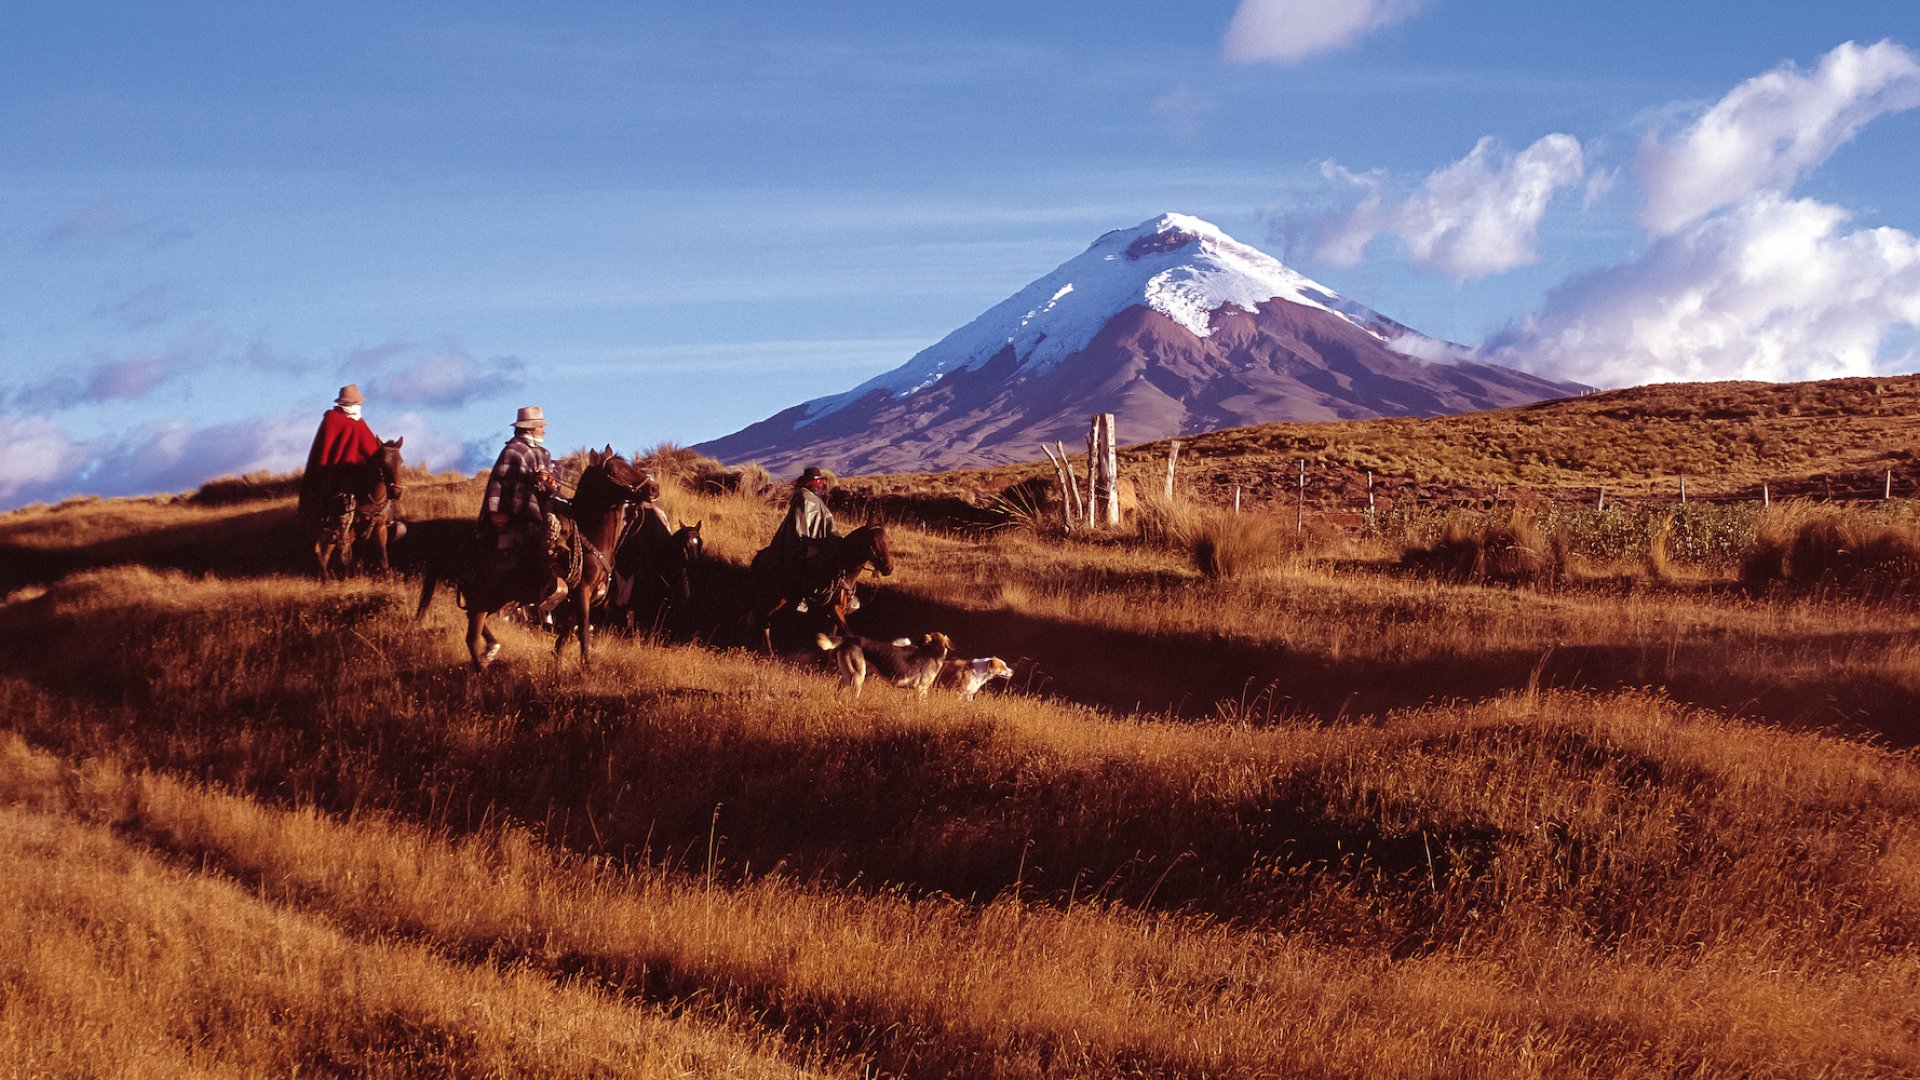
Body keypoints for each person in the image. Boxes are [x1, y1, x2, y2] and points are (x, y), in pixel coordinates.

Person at [479, 405, 561, 605]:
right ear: (530, 428)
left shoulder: (544, 453)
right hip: (515, 513)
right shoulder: (512, 451)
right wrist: (494, 512)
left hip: (538, 511)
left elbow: (553, 483)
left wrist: (550, 480)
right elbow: (498, 482)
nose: (543, 430)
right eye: (540, 426)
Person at [299, 384, 382, 519]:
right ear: (345, 403)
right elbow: (325, 449)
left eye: (358, 402)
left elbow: (370, 446)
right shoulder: (332, 419)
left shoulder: (358, 421)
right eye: (355, 402)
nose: (358, 405)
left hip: (359, 471)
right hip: (337, 473)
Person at [761, 466, 841, 605]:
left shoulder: (811, 499)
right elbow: (800, 528)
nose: (820, 487)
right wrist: (813, 543)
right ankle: (803, 597)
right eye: (818, 483)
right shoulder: (805, 498)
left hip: (814, 543)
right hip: (803, 546)